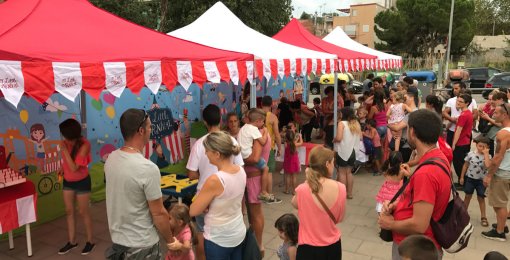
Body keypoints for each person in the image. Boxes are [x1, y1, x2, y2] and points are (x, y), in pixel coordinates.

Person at [378, 109, 451, 259]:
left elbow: (419, 225)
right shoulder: (438, 157)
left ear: (412, 132)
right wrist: (397, 204)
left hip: (414, 248)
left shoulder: (426, 173)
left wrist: (389, 224)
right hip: (421, 244)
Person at [104, 109, 173, 259]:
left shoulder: (111, 158)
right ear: (141, 131)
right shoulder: (147, 168)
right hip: (142, 245)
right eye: (149, 127)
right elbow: (159, 213)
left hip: (118, 242)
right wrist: (171, 241)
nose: (151, 130)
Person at [187, 105, 244, 260]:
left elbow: (192, 210)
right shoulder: (241, 172)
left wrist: (204, 201)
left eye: (208, 152)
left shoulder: (214, 180)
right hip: (236, 231)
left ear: (217, 154)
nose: (206, 154)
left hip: (218, 239)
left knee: (201, 236)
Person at [292, 146, 346, 260]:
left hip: (307, 248)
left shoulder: (302, 189)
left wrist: (307, 180)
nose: (333, 166)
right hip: (332, 246)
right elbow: (340, 218)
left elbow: (295, 203)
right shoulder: (341, 188)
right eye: (333, 163)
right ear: (327, 164)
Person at [57, 119, 94, 255]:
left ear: (70, 135)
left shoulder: (84, 144)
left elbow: (74, 167)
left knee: (83, 212)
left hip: (82, 182)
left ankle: (90, 241)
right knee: (69, 211)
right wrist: (62, 168)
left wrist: (64, 150)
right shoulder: (66, 142)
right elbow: (68, 164)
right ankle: (72, 242)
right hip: (68, 181)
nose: (63, 138)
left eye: (64, 135)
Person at [481, 103, 510, 242]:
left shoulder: (502, 133)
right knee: (501, 203)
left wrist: (489, 175)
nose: (493, 114)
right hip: (508, 171)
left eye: (497, 113)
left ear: (505, 115)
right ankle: (501, 224)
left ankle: (500, 232)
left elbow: (498, 156)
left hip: (502, 173)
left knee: (499, 204)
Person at [238, 108, 275, 203]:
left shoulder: (244, 127)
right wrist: (266, 132)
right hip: (249, 155)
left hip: (241, 156)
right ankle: (263, 191)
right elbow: (262, 141)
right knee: (266, 169)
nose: (263, 124)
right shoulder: (254, 129)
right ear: (257, 121)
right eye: (262, 121)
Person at [460, 136, 491, 227]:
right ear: (476, 145)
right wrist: (462, 177)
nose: (481, 148)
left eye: (484, 147)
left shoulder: (488, 156)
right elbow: (465, 165)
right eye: (480, 146)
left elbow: (487, 166)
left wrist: (486, 154)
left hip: (481, 181)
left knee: (481, 198)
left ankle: (483, 216)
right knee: (467, 196)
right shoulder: (470, 154)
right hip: (470, 179)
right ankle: (463, 215)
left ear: (487, 147)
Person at [334, 107, 361, 199]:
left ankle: (342, 194)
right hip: (353, 151)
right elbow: (360, 138)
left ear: (343, 114)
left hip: (343, 151)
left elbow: (339, 138)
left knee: (341, 173)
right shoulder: (356, 123)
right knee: (349, 173)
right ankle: (349, 193)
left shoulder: (341, 123)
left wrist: (334, 140)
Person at [261, 96, 283, 203]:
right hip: (269, 147)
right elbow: (277, 134)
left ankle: (260, 192)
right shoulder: (273, 117)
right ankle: (268, 195)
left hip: (257, 146)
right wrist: (279, 147)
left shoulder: (256, 115)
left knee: (259, 171)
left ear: (261, 104)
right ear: (271, 105)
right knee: (268, 172)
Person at [442, 82, 478, 146]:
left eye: (456, 88)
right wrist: (452, 119)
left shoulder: (472, 101)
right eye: (453, 89)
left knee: (463, 151)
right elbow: (444, 112)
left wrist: (464, 121)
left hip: (466, 132)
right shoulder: (451, 100)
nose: (454, 90)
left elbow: (475, 114)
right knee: (450, 151)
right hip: (452, 130)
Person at [452, 94, 474, 186]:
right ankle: (463, 182)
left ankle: (463, 182)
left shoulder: (464, 115)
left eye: (461, 102)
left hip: (461, 143)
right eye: (458, 101)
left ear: (467, 103)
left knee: (458, 163)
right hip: (465, 141)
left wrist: (453, 144)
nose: (458, 103)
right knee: (462, 162)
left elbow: (458, 131)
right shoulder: (467, 113)